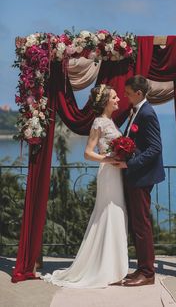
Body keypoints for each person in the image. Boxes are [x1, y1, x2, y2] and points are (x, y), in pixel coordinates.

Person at [42, 84, 129, 288]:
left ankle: (114, 265)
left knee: (116, 213)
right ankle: (105, 267)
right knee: (109, 213)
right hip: (108, 173)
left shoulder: (109, 121)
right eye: (114, 97)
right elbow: (87, 153)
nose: (118, 100)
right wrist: (108, 159)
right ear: (106, 101)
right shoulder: (99, 122)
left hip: (115, 172)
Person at [114, 75, 165, 287]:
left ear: (139, 93)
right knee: (136, 225)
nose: (125, 96)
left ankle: (148, 273)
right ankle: (141, 268)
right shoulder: (137, 111)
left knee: (142, 225)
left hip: (141, 177)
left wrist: (130, 164)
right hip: (135, 176)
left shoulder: (147, 113)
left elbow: (155, 148)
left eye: (127, 93)